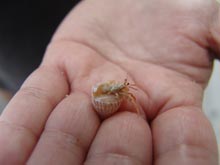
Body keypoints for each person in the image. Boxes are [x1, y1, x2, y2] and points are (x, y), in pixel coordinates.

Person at [0, 0, 219, 164]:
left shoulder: (121, 89)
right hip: (13, 36)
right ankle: (10, 88)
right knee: (27, 85)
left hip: (81, 18)